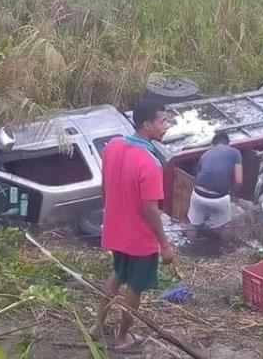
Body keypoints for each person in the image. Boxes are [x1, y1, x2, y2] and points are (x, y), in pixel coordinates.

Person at [90, 99, 176, 352]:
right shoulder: (150, 163)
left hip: (116, 231)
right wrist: (165, 245)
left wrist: (109, 214)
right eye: (163, 121)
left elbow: (104, 186)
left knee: (117, 274)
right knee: (134, 288)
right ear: (147, 125)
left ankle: (96, 326)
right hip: (140, 240)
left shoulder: (113, 146)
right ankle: (123, 337)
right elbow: (151, 209)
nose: (166, 126)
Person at [185, 131, 243, 241]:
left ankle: (189, 247)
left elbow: (197, 175)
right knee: (225, 224)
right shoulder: (235, 153)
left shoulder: (205, 154)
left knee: (193, 222)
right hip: (218, 198)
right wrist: (233, 195)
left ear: (213, 144)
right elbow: (239, 180)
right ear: (228, 143)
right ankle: (226, 250)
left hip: (198, 194)